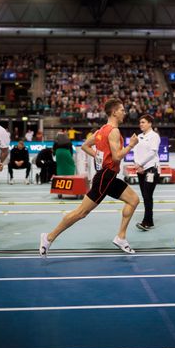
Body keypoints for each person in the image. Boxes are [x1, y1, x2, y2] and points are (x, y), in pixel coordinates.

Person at [40, 98, 139, 256]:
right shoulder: (114, 131)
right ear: (114, 112)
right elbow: (117, 157)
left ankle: (121, 237)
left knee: (133, 200)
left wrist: (98, 156)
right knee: (81, 213)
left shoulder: (101, 131)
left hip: (109, 176)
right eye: (122, 110)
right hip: (105, 177)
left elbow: (85, 146)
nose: (124, 113)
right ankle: (49, 237)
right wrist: (131, 145)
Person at [133, 114, 161, 231]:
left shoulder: (154, 136)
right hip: (141, 170)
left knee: (148, 195)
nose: (141, 124)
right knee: (145, 196)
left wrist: (140, 164)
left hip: (151, 170)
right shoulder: (138, 136)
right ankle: (149, 221)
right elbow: (135, 151)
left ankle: (147, 222)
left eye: (143, 122)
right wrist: (137, 164)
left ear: (150, 123)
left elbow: (152, 153)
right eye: (140, 122)